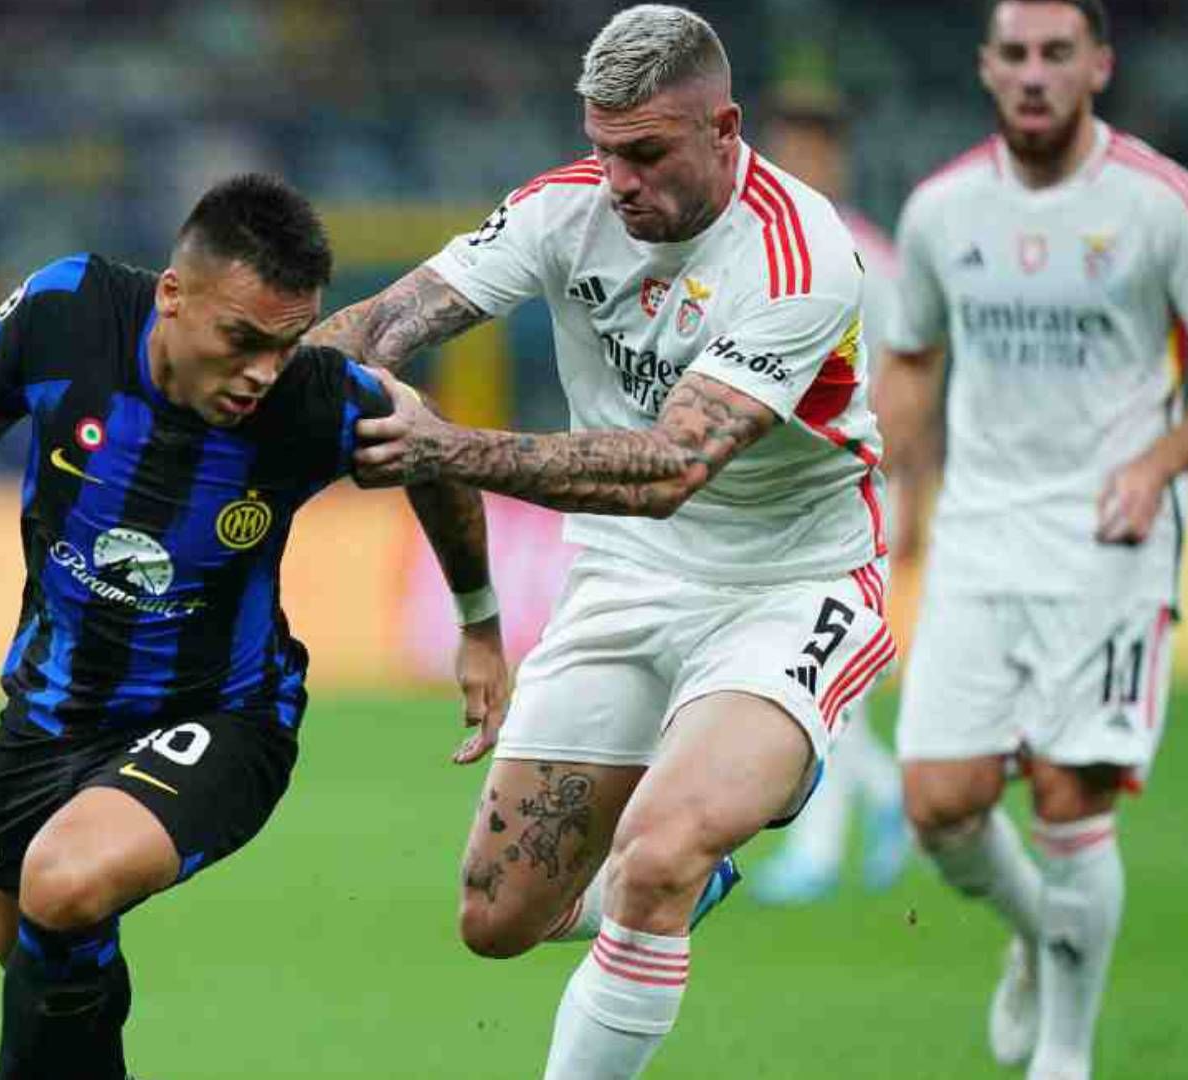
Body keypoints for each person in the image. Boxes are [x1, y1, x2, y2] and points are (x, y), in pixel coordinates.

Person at [310, 7, 889, 1075]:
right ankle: (686, 874)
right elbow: (380, 329)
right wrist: (231, 403)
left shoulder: (800, 256)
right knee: (499, 918)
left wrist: (449, 448)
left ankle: (725, 814)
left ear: (724, 129)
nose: (618, 180)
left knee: (658, 854)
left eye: (647, 153)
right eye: (603, 148)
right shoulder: (564, 207)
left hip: (789, 585)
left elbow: (670, 468)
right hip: (623, 577)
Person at [0, 173, 507, 1079]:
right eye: (242, 340)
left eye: (285, 344)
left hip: (224, 717)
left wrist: (479, 622)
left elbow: (435, 453)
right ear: (172, 294)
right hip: (49, 711)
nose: (263, 373)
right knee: (32, 954)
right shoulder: (66, 310)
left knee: (63, 882)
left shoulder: (315, 399)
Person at [881, 2, 1188, 1077]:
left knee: (1067, 796)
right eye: (1016, 54)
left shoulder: (1163, 205)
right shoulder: (943, 209)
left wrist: (1159, 464)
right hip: (980, 530)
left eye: (1056, 53)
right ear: (986, 68)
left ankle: (1064, 1058)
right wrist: (899, 482)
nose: (1034, 73)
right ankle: (1044, 938)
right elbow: (912, 355)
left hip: (1107, 539)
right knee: (939, 805)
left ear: (1099, 66)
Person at [747, 86, 912, 906]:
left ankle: (815, 852)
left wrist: (906, 486)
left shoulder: (869, 259)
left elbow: (913, 376)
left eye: (813, 150)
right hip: (778, 502)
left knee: (820, 680)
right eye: (786, 149)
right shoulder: (753, 249)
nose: (798, 164)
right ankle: (892, 794)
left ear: (838, 160)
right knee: (807, 674)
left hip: (859, 495)